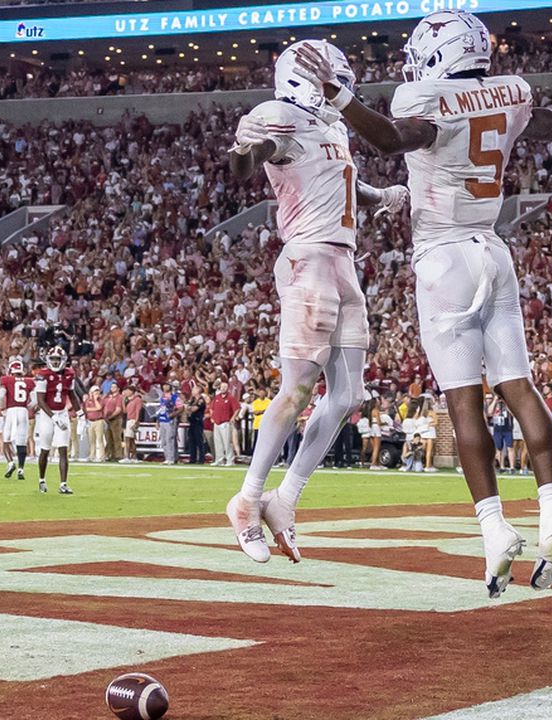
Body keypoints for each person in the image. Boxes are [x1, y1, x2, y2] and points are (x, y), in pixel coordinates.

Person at [294, 5, 552, 595]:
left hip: (444, 257)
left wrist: (341, 98)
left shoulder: (428, 101)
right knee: (519, 385)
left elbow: (393, 139)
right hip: (493, 250)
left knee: (463, 403)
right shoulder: (510, 93)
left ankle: (494, 529)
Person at [225, 39, 407, 566]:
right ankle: (248, 497)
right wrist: (245, 156)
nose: (340, 90)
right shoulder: (278, 117)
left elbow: (337, 179)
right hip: (307, 262)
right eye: (332, 80)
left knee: (349, 395)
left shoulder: (330, 129)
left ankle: (285, 500)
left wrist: (381, 195)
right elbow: (253, 162)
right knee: (299, 387)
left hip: (343, 263)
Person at [34, 345, 82, 494]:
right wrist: (53, 417)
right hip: (47, 414)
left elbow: (72, 395)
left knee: (63, 449)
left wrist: (80, 413)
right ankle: (42, 479)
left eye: (57, 359)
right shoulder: (43, 374)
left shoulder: (69, 374)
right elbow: (40, 401)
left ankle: (63, 483)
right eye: (53, 359)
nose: (55, 362)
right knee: (45, 449)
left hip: (62, 413)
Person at [0, 357, 35, 480]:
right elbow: (35, 401)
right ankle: (21, 469)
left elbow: (1, 396)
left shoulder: (6, 379)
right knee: (21, 441)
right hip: (23, 411)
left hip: (11, 410)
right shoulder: (29, 381)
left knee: (6, 439)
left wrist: (3, 408)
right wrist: (27, 406)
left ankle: (10, 463)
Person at [209, 381, 239, 466]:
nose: (223, 389)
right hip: (217, 422)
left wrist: (233, 418)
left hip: (225, 422)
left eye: (225, 387)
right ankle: (219, 459)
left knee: (227, 442)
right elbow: (212, 408)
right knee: (218, 442)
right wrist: (213, 416)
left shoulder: (230, 398)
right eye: (222, 387)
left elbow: (237, 408)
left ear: (228, 388)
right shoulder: (217, 397)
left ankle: (230, 460)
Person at [185, 385, 208, 464]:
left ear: (198, 390)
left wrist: (188, 408)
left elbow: (193, 409)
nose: (192, 391)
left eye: (194, 389)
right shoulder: (193, 400)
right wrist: (188, 408)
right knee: (191, 441)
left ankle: (201, 459)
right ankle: (192, 458)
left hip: (197, 422)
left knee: (199, 441)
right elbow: (188, 409)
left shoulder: (200, 400)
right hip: (192, 422)